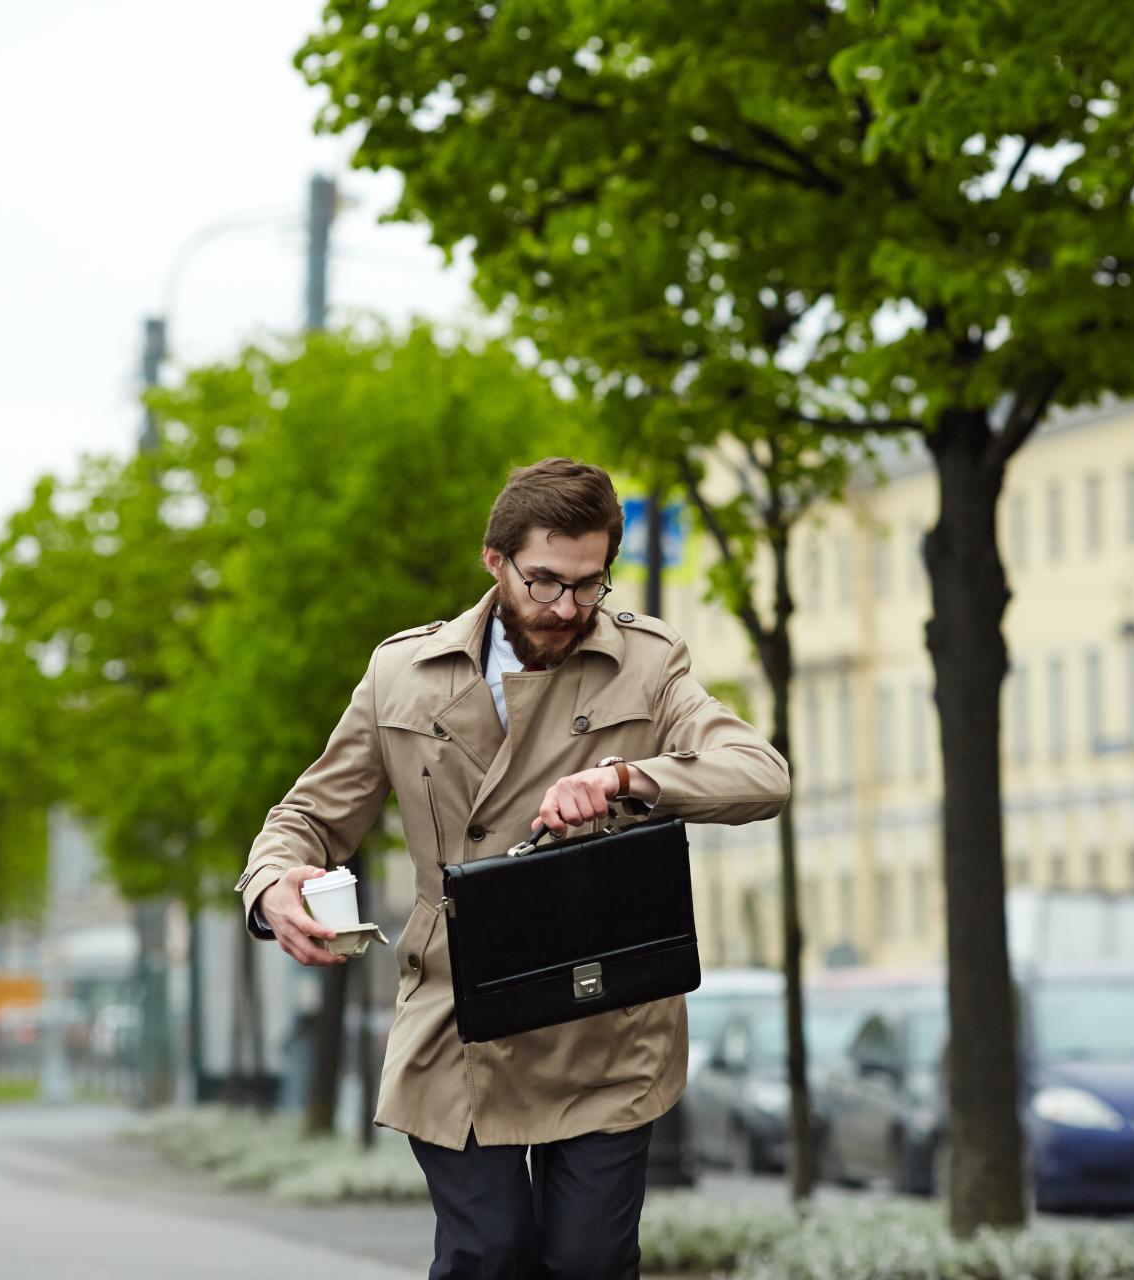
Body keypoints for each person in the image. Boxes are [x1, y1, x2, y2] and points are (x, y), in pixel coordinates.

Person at [235, 458, 790, 1279]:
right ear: (494, 561)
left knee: (588, 1260)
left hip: (603, 1024)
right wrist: (273, 883)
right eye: (545, 583)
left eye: (589, 585)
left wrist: (628, 778)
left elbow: (760, 774)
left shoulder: (648, 659)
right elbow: (311, 817)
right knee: (485, 1254)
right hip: (458, 1017)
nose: (567, 608)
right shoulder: (402, 675)